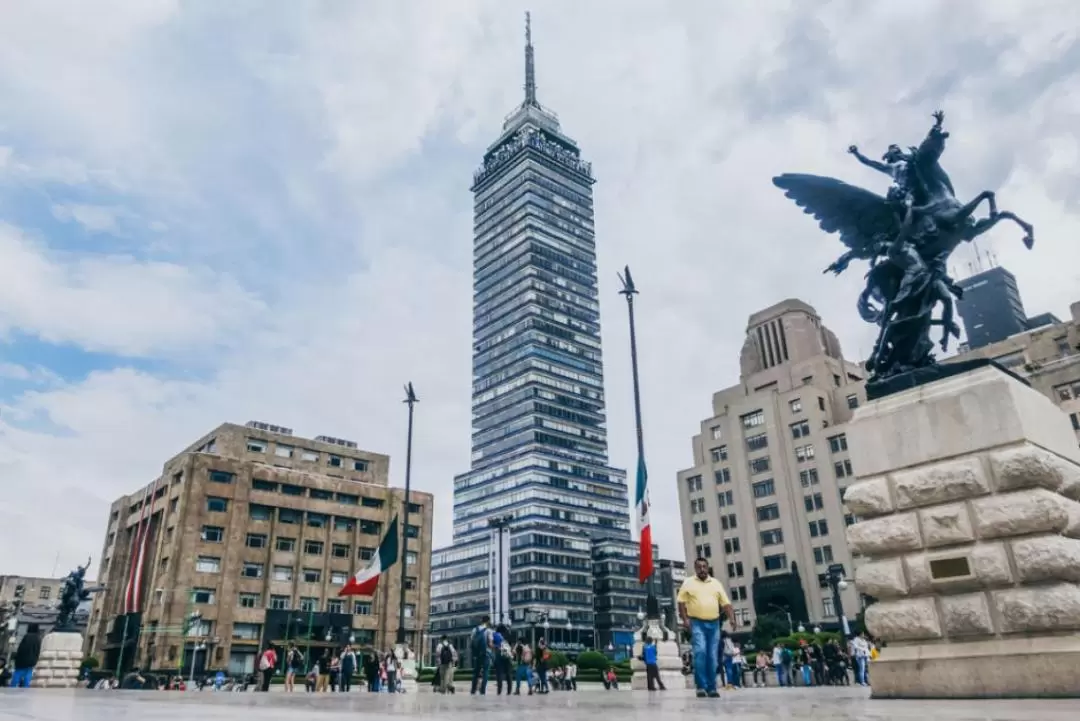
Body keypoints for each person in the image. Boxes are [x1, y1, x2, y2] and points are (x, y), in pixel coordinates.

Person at [677, 557, 735, 698]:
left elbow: (726, 604)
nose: (702, 569)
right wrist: (685, 620)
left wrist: (732, 618)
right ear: (695, 568)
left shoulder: (716, 583)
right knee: (701, 652)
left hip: (714, 623)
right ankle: (701, 686)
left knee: (712, 656)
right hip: (696, 623)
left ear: (708, 568)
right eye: (699, 567)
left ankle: (712, 687)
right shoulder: (688, 583)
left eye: (704, 566)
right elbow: (681, 602)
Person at [469, 615, 494, 695]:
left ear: (481, 621)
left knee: (476, 672)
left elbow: (472, 641)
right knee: (486, 672)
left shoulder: (474, 629)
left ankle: (473, 690)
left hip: (477, 654)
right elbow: (490, 644)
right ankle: (482, 690)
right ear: (488, 621)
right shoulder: (489, 631)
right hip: (486, 654)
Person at [11, 624, 42, 688]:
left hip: (22, 660)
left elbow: (21, 648)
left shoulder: (27, 636)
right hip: (32, 660)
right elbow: (38, 650)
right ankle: (26, 687)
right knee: (28, 675)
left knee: (18, 673)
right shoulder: (38, 638)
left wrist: (17, 657)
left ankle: (13, 686)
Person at [493, 626, 513, 695]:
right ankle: (509, 692)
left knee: (499, 675)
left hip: (499, 656)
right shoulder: (508, 635)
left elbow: (493, 645)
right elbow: (511, 646)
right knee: (508, 674)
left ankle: (499, 691)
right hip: (508, 656)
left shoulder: (496, 635)